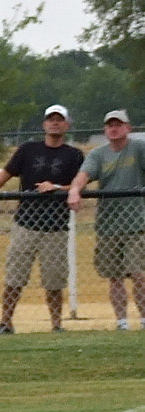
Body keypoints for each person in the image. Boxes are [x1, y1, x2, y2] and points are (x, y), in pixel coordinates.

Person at [0, 105, 84, 334]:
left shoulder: (74, 155)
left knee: (54, 281)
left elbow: (79, 185)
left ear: (67, 125)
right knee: (15, 277)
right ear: (44, 124)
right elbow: (6, 172)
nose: (54, 123)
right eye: (50, 119)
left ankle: (56, 324)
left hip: (56, 227)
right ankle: (5, 322)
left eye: (59, 120)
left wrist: (56, 187)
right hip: (25, 224)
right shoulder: (28, 149)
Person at [66, 109, 145, 330]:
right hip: (108, 224)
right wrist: (75, 190)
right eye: (110, 125)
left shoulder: (138, 149)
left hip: (137, 223)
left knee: (139, 274)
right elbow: (85, 174)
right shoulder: (98, 154)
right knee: (115, 276)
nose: (114, 128)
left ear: (128, 128)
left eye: (118, 124)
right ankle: (121, 322)